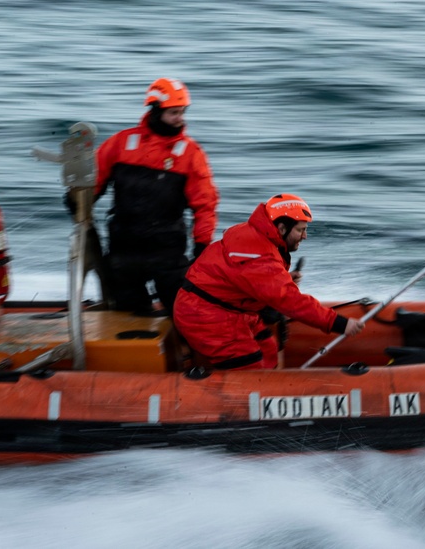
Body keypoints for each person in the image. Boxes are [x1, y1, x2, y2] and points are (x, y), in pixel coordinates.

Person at [173, 193, 365, 370]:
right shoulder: (258, 255)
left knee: (268, 348)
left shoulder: (258, 237)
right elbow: (289, 300)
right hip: (206, 314)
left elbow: (248, 276)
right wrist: (338, 324)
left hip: (231, 308)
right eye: (301, 230)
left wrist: (283, 278)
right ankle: (243, 402)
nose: (305, 236)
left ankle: (268, 394)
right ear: (282, 228)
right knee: (250, 364)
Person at [93, 77, 219, 315]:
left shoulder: (191, 154)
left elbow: (205, 205)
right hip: (124, 246)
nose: (180, 118)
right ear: (155, 109)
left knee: (184, 309)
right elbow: (95, 179)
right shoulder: (121, 143)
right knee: (126, 311)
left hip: (166, 248)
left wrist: (202, 244)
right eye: (174, 112)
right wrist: (82, 198)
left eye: (182, 112)